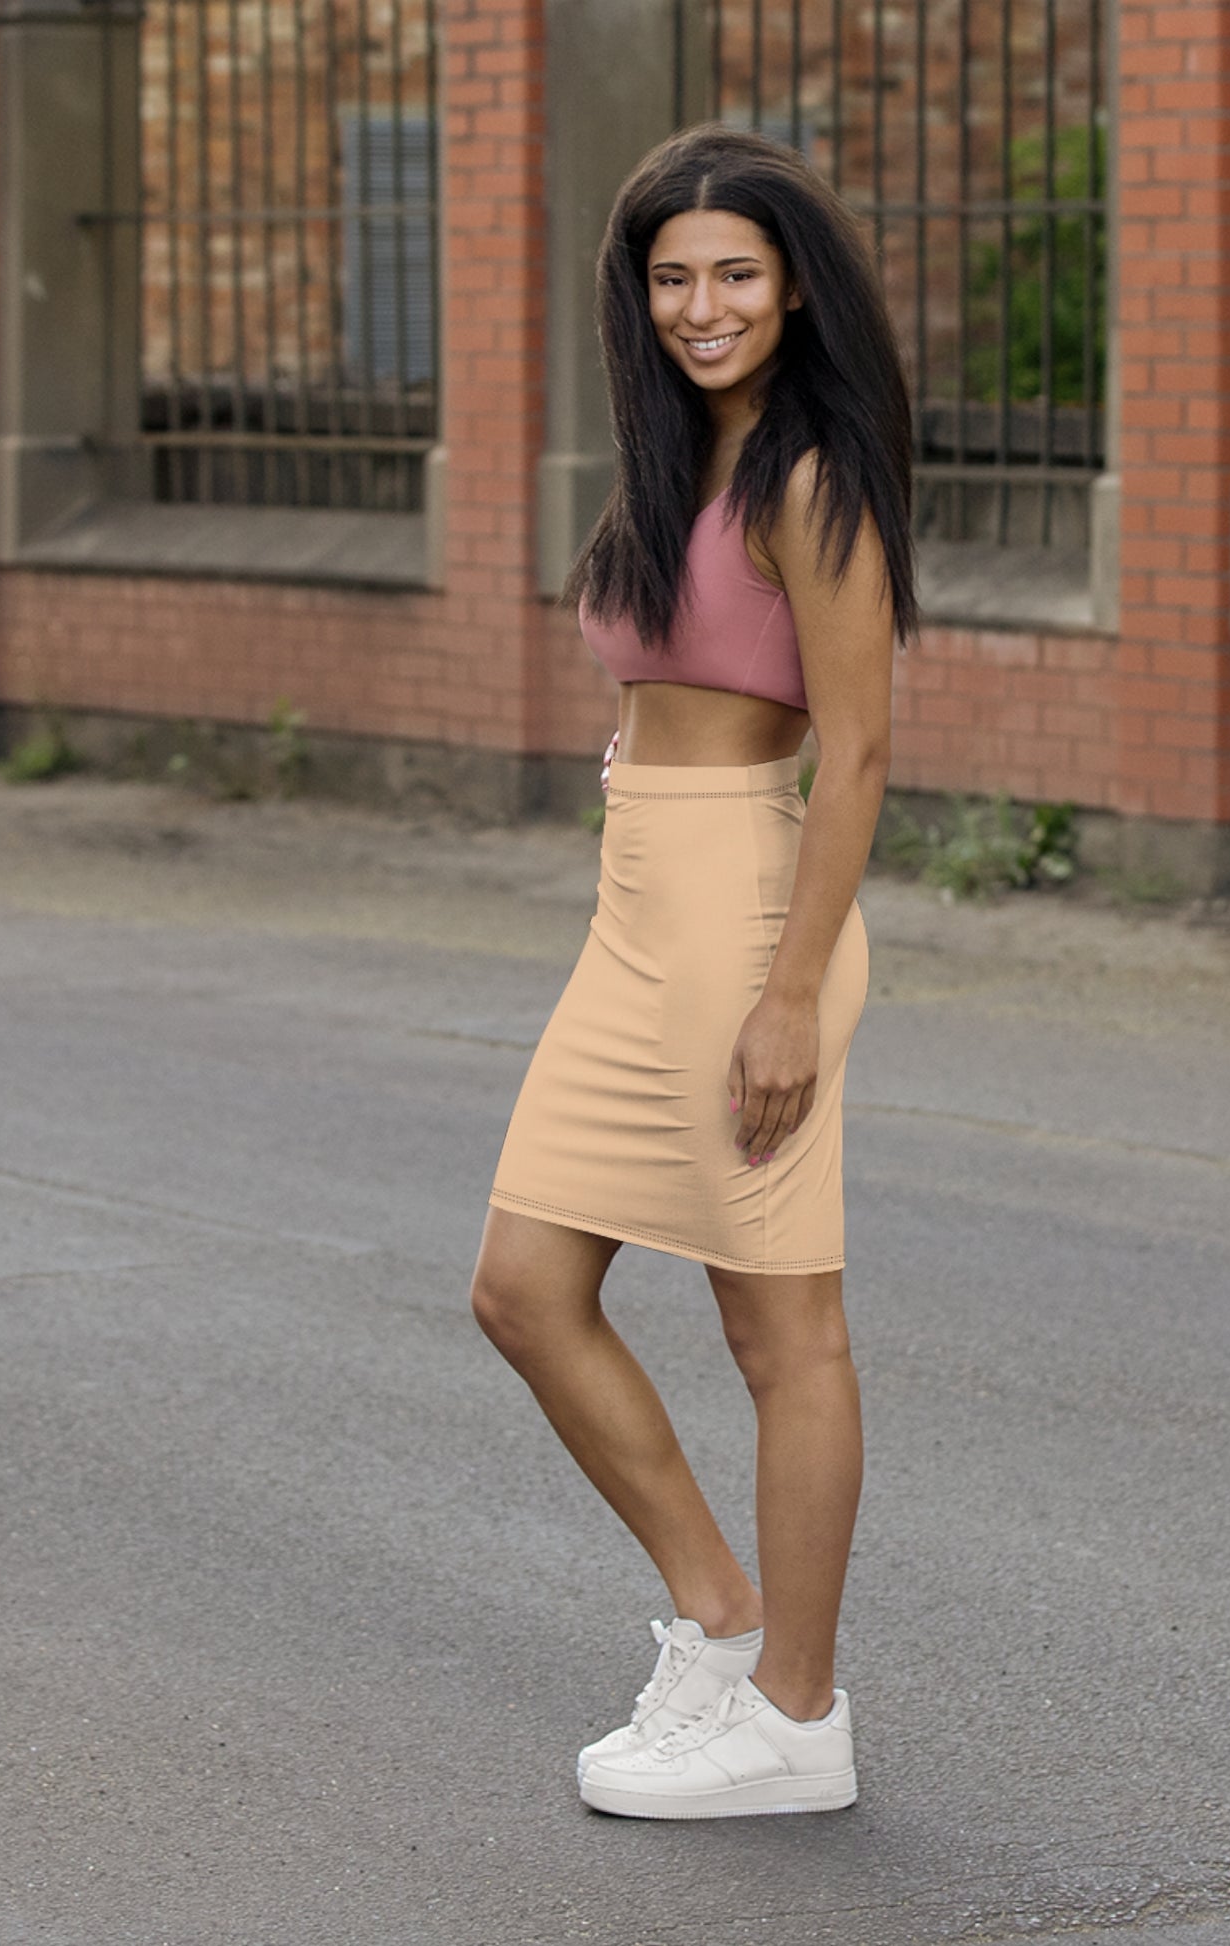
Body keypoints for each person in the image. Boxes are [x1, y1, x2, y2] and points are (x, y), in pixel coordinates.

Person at [469, 123, 917, 1821]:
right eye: (672, 277)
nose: (702, 304)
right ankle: (719, 1624)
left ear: (793, 284)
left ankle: (796, 1714)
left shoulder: (810, 474)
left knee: (779, 1324)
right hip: (637, 904)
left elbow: (859, 751)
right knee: (521, 1284)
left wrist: (792, 986)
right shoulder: (679, 464)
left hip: (745, 914)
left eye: (734, 272)